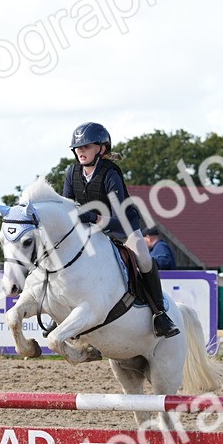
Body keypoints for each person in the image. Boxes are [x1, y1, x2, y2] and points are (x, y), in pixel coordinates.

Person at [61, 122, 178, 338]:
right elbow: (67, 207)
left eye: (86, 147)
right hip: (90, 232)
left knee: (144, 259)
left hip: (122, 228)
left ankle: (160, 315)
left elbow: (120, 218)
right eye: (78, 148)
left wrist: (94, 217)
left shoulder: (110, 173)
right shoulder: (72, 172)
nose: (81, 151)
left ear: (101, 149)